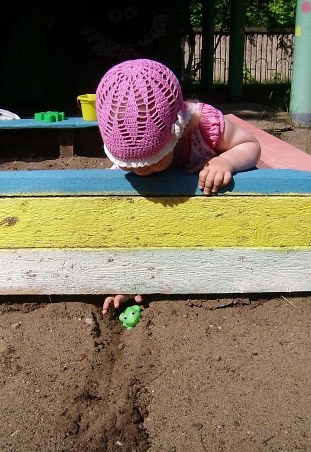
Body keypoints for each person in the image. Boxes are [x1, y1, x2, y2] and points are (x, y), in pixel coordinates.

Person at [96, 58, 261, 317]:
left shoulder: (204, 126)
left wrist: (226, 160)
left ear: (179, 128)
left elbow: (251, 145)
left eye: (153, 160)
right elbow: (122, 230)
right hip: (151, 231)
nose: (141, 170)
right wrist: (126, 275)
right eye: (128, 164)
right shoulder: (127, 148)